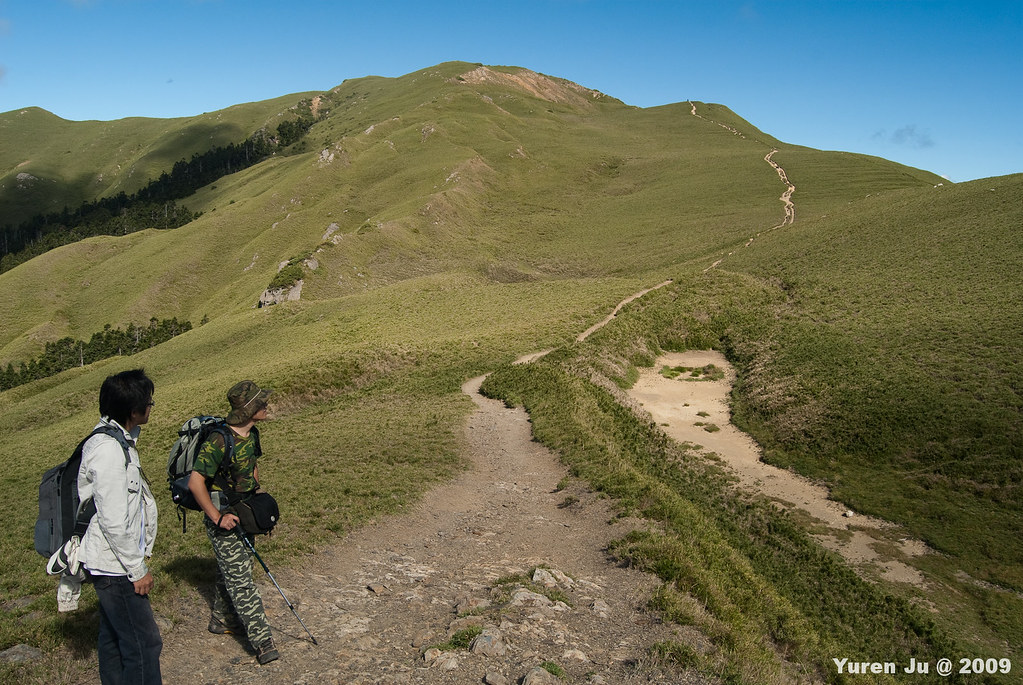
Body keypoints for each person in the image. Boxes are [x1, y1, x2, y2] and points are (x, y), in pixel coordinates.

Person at [78, 368, 162, 685]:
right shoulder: (110, 450)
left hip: (111, 563)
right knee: (144, 643)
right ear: (133, 411)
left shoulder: (116, 441)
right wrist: (137, 569)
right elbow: (114, 520)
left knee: (114, 637)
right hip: (116, 567)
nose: (151, 407)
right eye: (148, 402)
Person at [187, 380, 279, 665]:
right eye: (261, 403)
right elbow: (195, 482)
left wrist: (257, 497)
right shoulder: (218, 440)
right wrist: (217, 517)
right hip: (224, 515)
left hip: (244, 511)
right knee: (241, 581)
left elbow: (252, 465)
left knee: (233, 568)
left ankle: (220, 618)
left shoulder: (252, 435)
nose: (266, 406)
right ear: (250, 409)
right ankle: (263, 641)